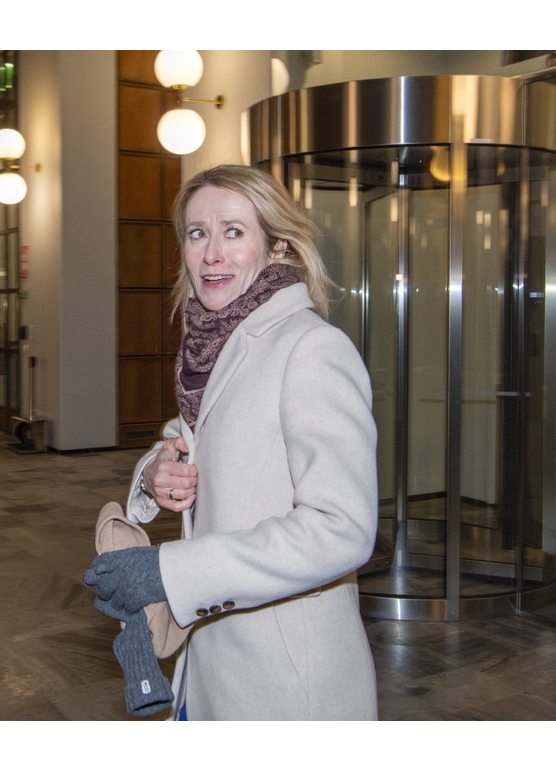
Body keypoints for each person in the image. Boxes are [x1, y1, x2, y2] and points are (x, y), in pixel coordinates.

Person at [85, 164, 378, 720]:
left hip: (283, 682)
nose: (211, 254)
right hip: (208, 661)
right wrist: (155, 473)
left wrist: (170, 574)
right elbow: (189, 438)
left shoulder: (312, 349)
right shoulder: (213, 346)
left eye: (234, 232)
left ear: (277, 246)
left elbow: (343, 528)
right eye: (198, 233)